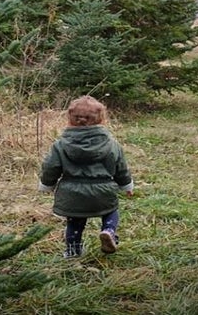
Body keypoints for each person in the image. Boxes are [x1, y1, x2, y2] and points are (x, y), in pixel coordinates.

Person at [39, 95, 134, 258]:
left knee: (75, 221)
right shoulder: (111, 144)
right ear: (101, 119)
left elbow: (51, 166)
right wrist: (126, 185)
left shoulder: (60, 144)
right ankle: (109, 230)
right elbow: (121, 167)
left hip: (73, 194)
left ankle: (73, 251)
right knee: (111, 210)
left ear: (70, 118)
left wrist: (47, 184)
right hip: (103, 191)